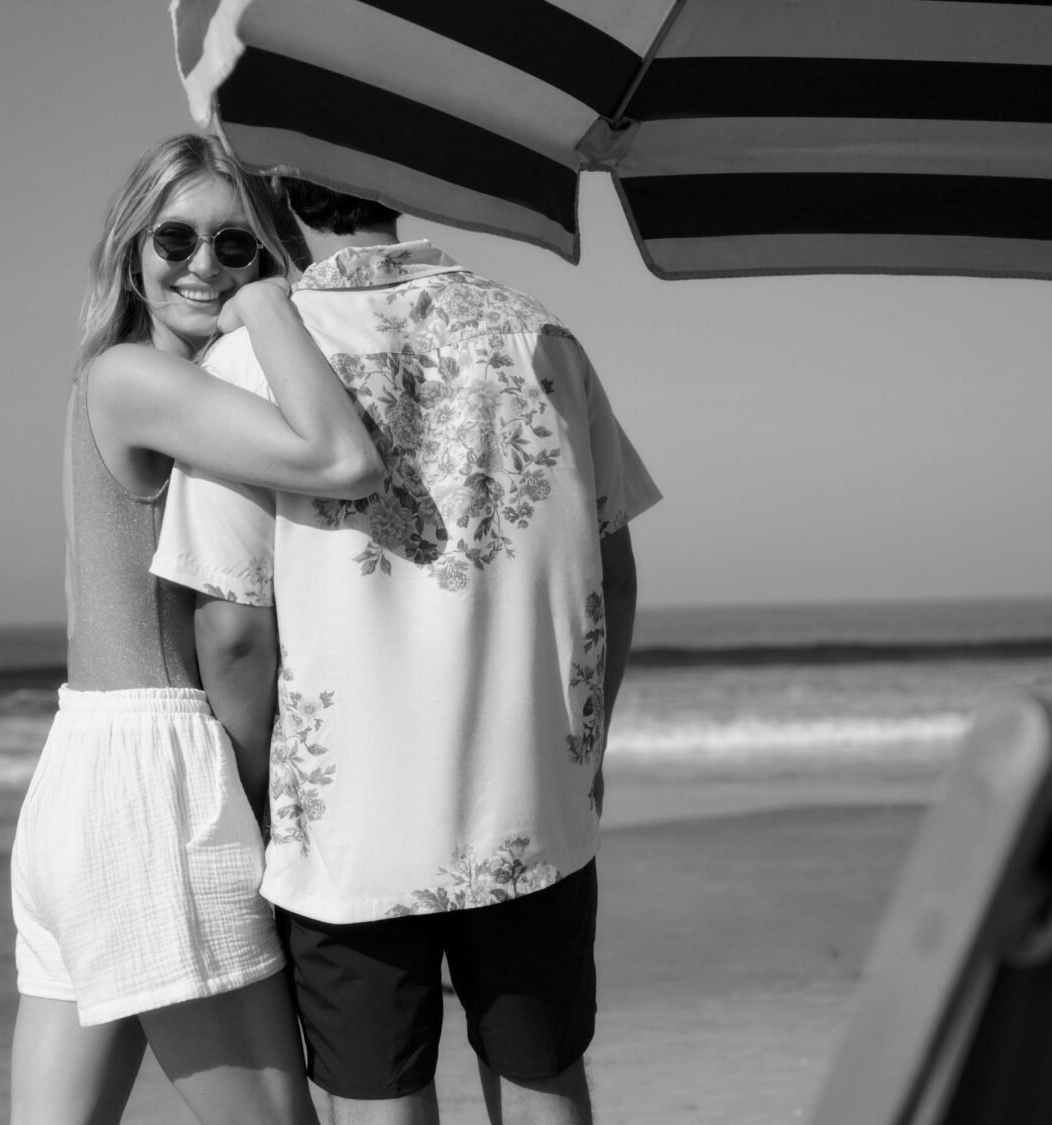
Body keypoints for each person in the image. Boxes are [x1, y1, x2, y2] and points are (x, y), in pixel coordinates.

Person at [150, 179, 661, 1125]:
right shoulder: (541, 336)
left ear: (276, 190)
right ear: (403, 180)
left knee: (376, 1096)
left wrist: (265, 790)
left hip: (352, 824)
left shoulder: (251, 361)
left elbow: (232, 630)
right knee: (543, 1077)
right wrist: (586, 746)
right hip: (530, 796)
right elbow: (613, 577)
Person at [9, 136, 381, 1125]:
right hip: (155, 773)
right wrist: (273, 300)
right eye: (176, 239)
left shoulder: (139, 387)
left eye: (237, 247)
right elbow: (343, 457)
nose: (204, 268)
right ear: (132, 250)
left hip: (84, 777)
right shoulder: (131, 375)